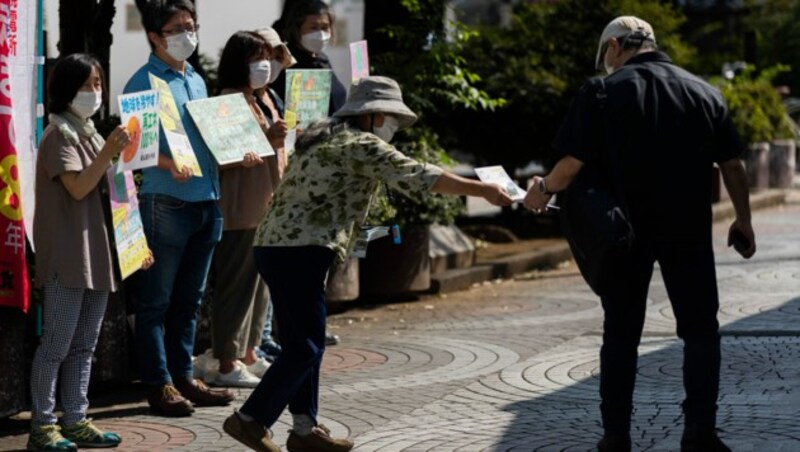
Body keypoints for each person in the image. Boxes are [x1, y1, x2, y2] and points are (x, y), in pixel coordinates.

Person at [221, 75, 513, 452]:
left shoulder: (323, 137)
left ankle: (305, 429)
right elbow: (419, 174)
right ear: (372, 115)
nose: (393, 125)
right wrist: (482, 189)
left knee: (305, 343)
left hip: (283, 247)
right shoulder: (358, 145)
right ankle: (250, 420)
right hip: (299, 250)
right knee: (305, 347)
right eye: (390, 117)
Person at [523, 16, 755, 452]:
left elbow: (571, 165)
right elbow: (734, 165)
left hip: (622, 234)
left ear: (614, 47)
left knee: (621, 334)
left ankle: (615, 436)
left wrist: (542, 189)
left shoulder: (602, 93)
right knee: (701, 329)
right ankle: (699, 432)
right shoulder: (705, 92)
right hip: (688, 231)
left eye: (604, 56)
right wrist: (743, 219)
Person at [28, 53, 153, 451]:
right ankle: (43, 426)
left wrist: (136, 244)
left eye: (98, 84)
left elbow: (118, 194)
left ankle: (77, 418)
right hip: (67, 256)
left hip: (96, 254)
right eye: (85, 85)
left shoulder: (92, 135)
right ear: (65, 90)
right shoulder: (57, 137)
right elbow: (79, 187)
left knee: (84, 346)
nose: (94, 92)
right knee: (56, 346)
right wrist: (108, 153)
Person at [125, 0, 234, 416]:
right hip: (166, 202)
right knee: (156, 301)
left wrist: (236, 147)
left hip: (207, 199)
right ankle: (159, 384)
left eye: (191, 26)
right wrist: (171, 164)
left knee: (190, 300)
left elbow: (209, 133)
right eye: (177, 28)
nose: (187, 34)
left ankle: (184, 375)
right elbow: (134, 150)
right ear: (154, 36)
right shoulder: (143, 82)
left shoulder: (196, 80)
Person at [201, 30, 287, 388]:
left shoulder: (257, 98)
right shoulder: (227, 101)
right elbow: (223, 156)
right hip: (239, 208)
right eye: (255, 59)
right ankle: (226, 361)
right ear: (239, 64)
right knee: (236, 286)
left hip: (262, 203)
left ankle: (248, 352)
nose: (264, 66)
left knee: (257, 286)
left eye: (266, 57)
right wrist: (268, 140)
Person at [253, 26, 297, 360]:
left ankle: (264, 336)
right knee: (254, 274)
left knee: (269, 275)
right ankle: (254, 343)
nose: (270, 63)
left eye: (274, 56)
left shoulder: (273, 95)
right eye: (263, 56)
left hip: (279, 184)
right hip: (256, 193)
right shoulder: (243, 97)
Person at [273, 0, 347, 115]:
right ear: (297, 30)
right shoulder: (286, 63)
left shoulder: (322, 60)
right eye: (313, 28)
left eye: (325, 27)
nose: (320, 34)